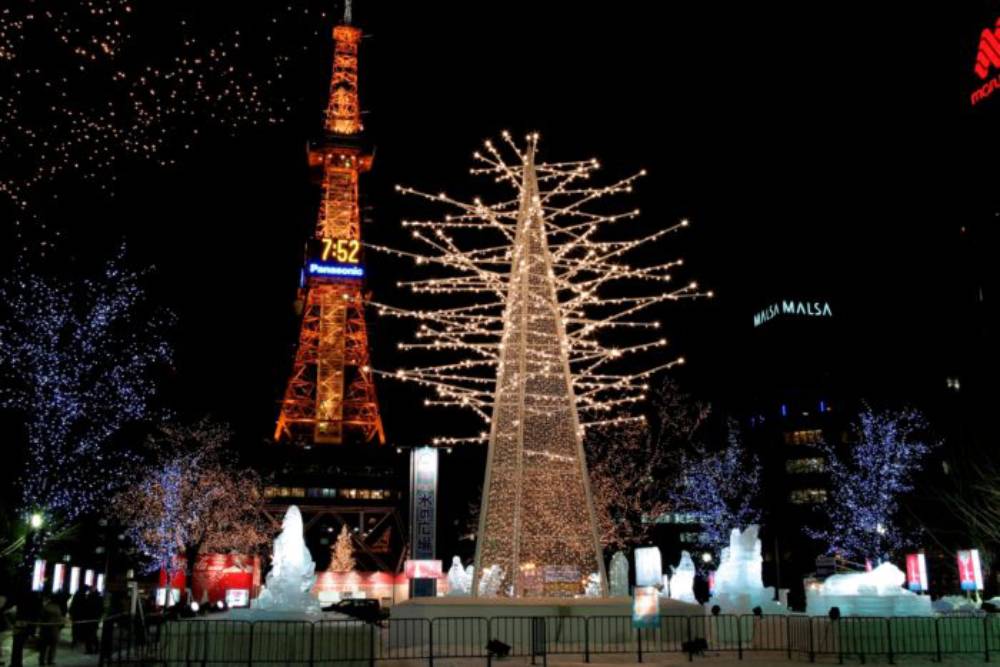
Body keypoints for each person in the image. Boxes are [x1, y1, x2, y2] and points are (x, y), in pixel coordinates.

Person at [37, 595, 63, 666]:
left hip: (45, 629)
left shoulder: (45, 607)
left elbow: (40, 617)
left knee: (43, 647)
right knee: (53, 646)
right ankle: (50, 660)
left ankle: (41, 660)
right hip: (54, 630)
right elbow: (59, 620)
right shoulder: (57, 608)